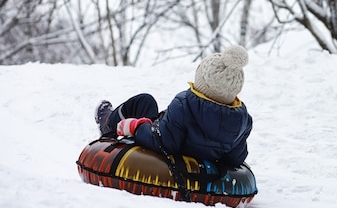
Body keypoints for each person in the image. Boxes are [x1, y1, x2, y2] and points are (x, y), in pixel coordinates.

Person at [94, 45, 253, 167]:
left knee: (144, 102)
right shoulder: (241, 120)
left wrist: (137, 127)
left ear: (202, 82)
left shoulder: (184, 105)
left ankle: (109, 124)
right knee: (149, 105)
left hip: (162, 145)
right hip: (187, 143)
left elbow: (163, 142)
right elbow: (235, 158)